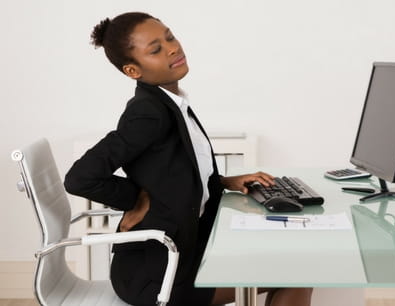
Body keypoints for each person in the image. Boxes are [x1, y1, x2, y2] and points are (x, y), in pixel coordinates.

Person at [64, 12, 313, 306]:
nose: (172, 48)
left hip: (186, 253)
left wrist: (224, 181)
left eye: (169, 36)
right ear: (133, 70)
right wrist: (137, 199)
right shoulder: (147, 113)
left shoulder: (172, 104)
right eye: (155, 49)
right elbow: (80, 177)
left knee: (293, 261)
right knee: (299, 273)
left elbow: (174, 173)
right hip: (160, 276)